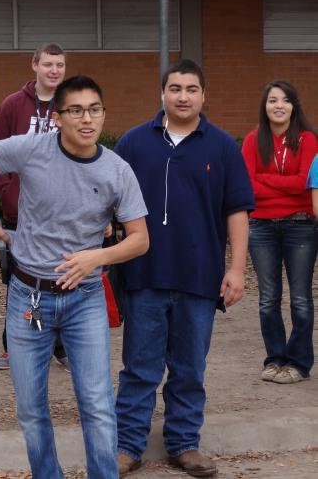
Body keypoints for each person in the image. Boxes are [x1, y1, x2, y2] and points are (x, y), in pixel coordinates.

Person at [0, 75, 149, 479]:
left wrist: (97, 257)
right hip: (29, 297)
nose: (86, 119)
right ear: (57, 118)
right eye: (75, 110)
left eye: (94, 110)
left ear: (103, 115)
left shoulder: (117, 170)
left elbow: (140, 240)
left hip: (86, 298)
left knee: (97, 403)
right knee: (30, 408)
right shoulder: (32, 148)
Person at [114, 59, 254, 478]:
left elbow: (237, 211)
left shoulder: (223, 146)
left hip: (199, 277)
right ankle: (127, 445)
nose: (183, 96)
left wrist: (236, 269)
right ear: (162, 93)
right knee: (140, 367)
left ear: (204, 95)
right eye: (175, 88)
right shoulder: (134, 143)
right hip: (144, 275)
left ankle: (184, 443)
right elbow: (107, 198)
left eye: (191, 89)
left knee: (190, 368)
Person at [0, 42, 70, 371]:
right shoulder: (13, 105)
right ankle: (15, 346)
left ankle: (60, 348)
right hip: (20, 214)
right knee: (20, 281)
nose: (54, 71)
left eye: (60, 65)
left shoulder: (72, 104)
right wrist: (9, 194)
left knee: (63, 279)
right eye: (48, 64)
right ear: (34, 65)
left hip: (64, 213)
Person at [242, 81, 318, 385]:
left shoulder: (308, 140)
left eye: (285, 100)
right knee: (268, 298)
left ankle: (298, 363)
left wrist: (265, 179)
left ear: (294, 106)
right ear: (265, 106)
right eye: (272, 100)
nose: (279, 106)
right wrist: (282, 187)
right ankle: (275, 359)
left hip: (301, 225)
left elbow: (304, 183)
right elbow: (247, 185)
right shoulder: (252, 140)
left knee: (300, 298)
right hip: (261, 227)